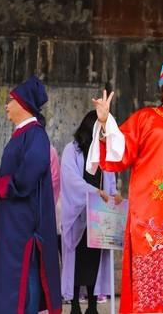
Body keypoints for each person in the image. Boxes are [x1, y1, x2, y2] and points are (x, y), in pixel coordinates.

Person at [89, 58, 163, 313]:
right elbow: (121, 152)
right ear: (162, 89)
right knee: (151, 286)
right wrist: (104, 123)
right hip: (150, 212)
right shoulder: (145, 118)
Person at [0, 75, 61, 314]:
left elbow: (28, 175)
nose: (7, 105)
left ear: (24, 104)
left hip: (24, 222)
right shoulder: (22, 134)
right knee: (18, 273)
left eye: (11, 100)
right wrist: (0, 181)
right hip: (14, 220)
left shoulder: (35, 134)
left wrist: (2, 186)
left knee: (26, 271)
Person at [61, 110, 120, 314]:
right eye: (102, 129)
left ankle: (93, 305)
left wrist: (114, 196)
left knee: (96, 260)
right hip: (79, 214)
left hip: (99, 215)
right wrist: (95, 192)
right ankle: (76, 304)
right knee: (78, 260)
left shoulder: (105, 151)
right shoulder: (72, 150)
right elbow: (71, 180)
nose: (105, 134)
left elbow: (111, 181)